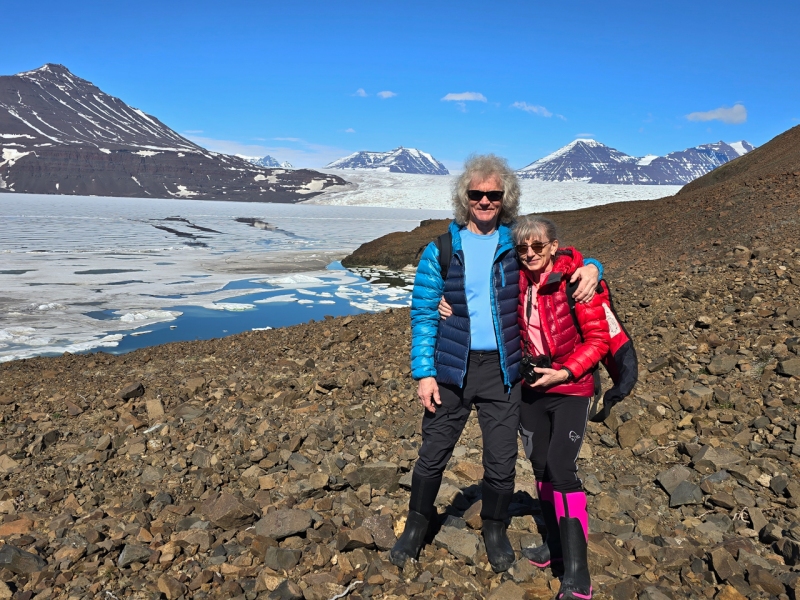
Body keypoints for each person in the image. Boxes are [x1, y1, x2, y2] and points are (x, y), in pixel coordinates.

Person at [389, 155, 602, 573]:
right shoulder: (442, 250)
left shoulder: (514, 245)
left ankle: (494, 527)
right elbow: (423, 313)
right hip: (451, 367)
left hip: (503, 369)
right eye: (477, 194)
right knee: (434, 451)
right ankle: (415, 525)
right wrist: (424, 373)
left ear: (505, 199)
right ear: (464, 197)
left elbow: (562, 260)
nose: (485, 201)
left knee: (502, 459)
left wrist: (594, 267)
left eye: (493, 194)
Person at [513, 215, 609, 600]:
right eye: (523, 248)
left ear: (554, 246)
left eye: (538, 246)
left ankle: (578, 575)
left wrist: (564, 372)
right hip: (532, 388)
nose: (530, 254)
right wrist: (443, 301)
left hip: (571, 387)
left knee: (561, 468)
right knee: (539, 466)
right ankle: (554, 544)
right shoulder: (517, 279)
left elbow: (599, 339)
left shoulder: (578, 282)